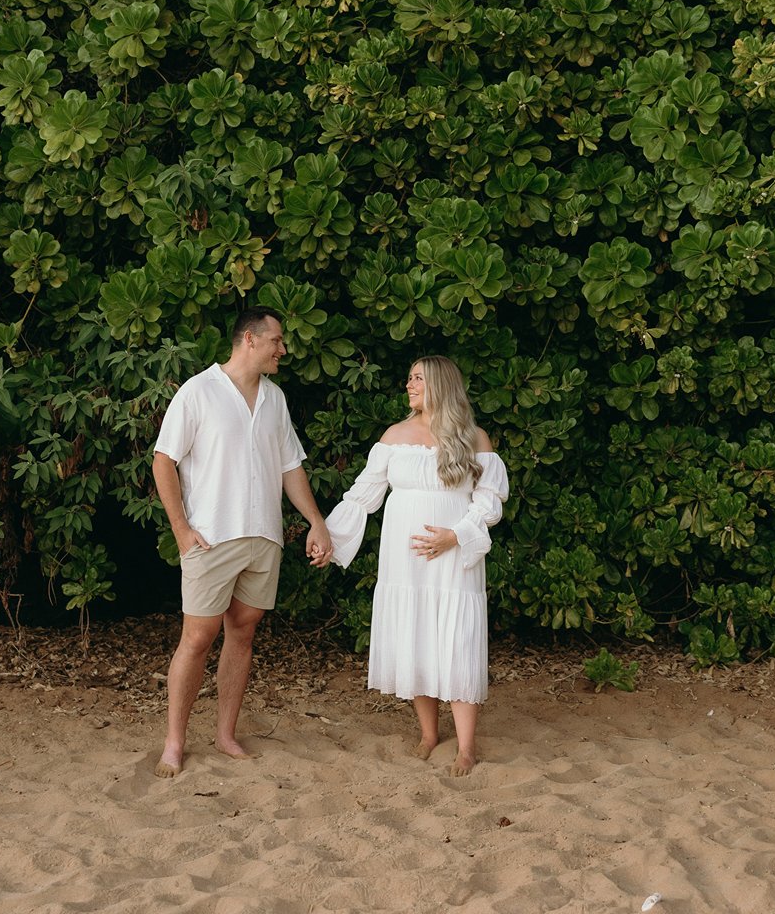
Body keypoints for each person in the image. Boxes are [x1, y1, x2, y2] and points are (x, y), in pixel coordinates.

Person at [151, 307, 333, 778]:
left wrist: (315, 520)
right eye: (277, 340)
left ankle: (226, 735)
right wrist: (180, 529)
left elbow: (290, 467)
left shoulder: (275, 399)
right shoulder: (199, 391)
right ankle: (174, 743)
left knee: (243, 631)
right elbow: (163, 461)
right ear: (250, 340)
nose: (283, 349)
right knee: (197, 637)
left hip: (263, 536)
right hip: (211, 537)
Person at [326, 355, 509, 777]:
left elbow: (489, 501)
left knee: (457, 638)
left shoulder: (473, 437)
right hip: (405, 559)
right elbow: (363, 495)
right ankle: (429, 734)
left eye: (418, 378)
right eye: (408, 377)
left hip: (454, 556)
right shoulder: (395, 435)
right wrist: (329, 538)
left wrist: (455, 535)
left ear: (441, 384)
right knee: (418, 635)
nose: (408, 384)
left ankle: (466, 747)